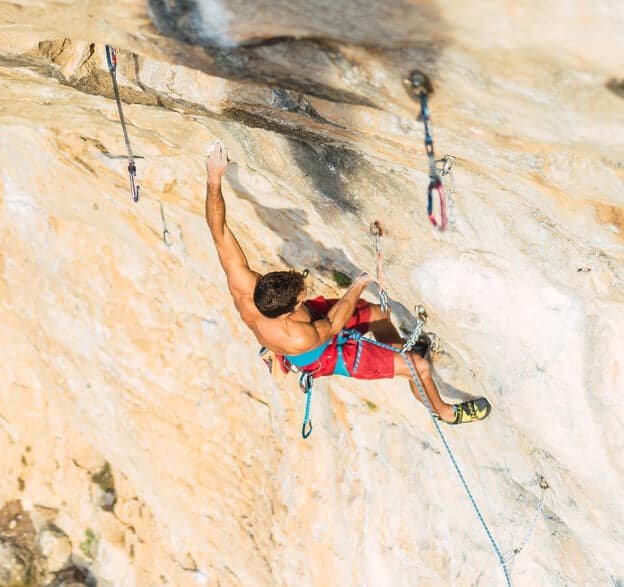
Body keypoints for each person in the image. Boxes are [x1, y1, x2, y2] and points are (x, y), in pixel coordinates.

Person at [204, 142, 490, 424]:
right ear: (290, 310)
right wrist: (358, 284)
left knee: (379, 315)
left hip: (311, 326)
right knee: (418, 367)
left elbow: (219, 231)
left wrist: (214, 178)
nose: (305, 290)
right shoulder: (297, 336)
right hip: (324, 352)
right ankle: (445, 413)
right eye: (302, 296)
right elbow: (333, 325)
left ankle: (396, 348)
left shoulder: (245, 288)